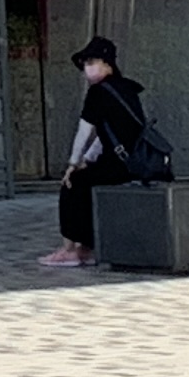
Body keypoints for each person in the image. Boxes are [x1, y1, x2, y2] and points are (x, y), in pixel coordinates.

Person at [42, 37, 155, 270]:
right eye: (85, 63)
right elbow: (108, 135)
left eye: (92, 61)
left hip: (118, 165)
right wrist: (87, 161)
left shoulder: (98, 92)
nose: (87, 68)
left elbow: (85, 132)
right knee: (86, 182)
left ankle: (70, 250)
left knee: (72, 184)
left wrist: (73, 164)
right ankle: (87, 248)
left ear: (107, 64)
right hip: (132, 162)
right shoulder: (127, 89)